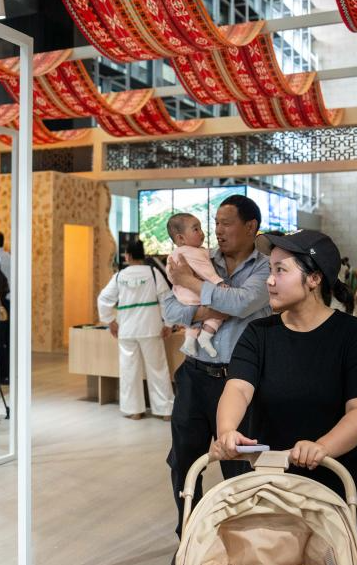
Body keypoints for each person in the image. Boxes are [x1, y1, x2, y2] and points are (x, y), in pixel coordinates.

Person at [214, 229, 357, 565]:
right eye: (270, 269)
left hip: (333, 482)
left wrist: (322, 447)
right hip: (271, 483)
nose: (269, 280)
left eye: (281, 270)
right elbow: (237, 388)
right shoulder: (260, 334)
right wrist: (227, 430)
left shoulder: (353, 335)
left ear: (314, 278)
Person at [161, 195, 271, 542]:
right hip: (195, 376)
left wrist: (194, 285)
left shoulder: (265, 268)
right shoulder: (199, 257)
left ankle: (239, 544)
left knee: (239, 466)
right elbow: (170, 310)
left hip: (241, 383)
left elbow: (244, 302)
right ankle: (189, 539)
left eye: (226, 223)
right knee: (183, 463)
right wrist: (214, 305)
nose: (217, 231)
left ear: (251, 227)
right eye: (215, 224)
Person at [97, 239, 174, 420]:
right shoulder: (153, 273)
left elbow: (103, 299)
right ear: (143, 255)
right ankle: (165, 411)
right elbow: (167, 299)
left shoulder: (120, 276)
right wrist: (169, 323)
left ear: (128, 256)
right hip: (151, 328)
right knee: (157, 368)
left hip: (127, 329)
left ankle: (134, 410)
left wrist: (110, 321)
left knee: (129, 369)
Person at [165, 213, 227, 358]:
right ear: (181, 238)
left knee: (194, 319)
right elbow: (206, 271)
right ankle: (206, 335)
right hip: (194, 293)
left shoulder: (174, 254)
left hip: (182, 296)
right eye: (196, 229)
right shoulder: (192, 252)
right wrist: (219, 283)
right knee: (220, 310)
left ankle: (189, 341)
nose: (201, 233)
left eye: (200, 228)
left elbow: (171, 275)